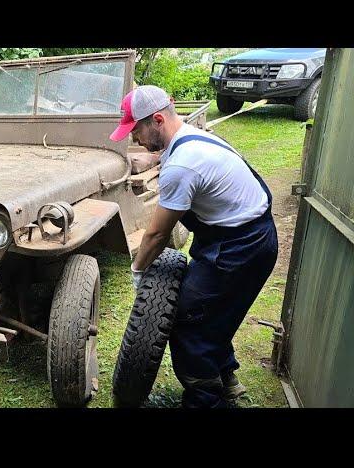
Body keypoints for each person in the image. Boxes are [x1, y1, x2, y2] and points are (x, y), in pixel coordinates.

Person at [109, 85, 278, 408]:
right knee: (215, 313)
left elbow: (157, 235)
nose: (134, 141)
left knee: (189, 320)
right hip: (234, 234)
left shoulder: (183, 165)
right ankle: (227, 380)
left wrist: (137, 271)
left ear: (157, 119)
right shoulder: (192, 137)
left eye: (136, 131)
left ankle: (205, 401)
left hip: (240, 247)